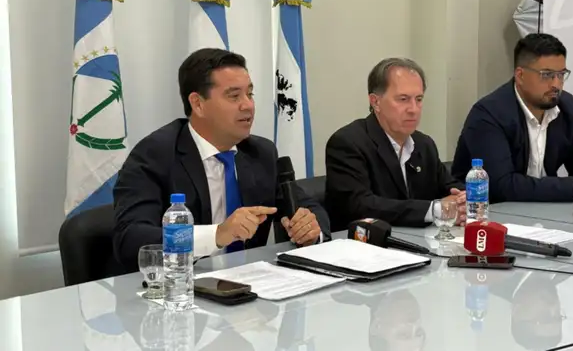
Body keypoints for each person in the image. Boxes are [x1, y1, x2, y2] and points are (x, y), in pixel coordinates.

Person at [113, 48, 330, 271]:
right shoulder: (154, 155)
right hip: (179, 284)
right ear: (198, 104)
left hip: (248, 284)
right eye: (234, 96)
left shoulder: (260, 153)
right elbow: (131, 239)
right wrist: (217, 234)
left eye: (250, 94)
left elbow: (307, 206)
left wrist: (311, 229)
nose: (248, 105)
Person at [452, 33, 573, 203]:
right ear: (520, 76)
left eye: (561, 74)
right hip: (486, 212)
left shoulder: (568, 107)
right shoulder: (488, 114)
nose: (556, 84)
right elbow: (501, 186)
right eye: (547, 75)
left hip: (543, 212)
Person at [324, 58, 465, 231]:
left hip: (419, 241)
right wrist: (434, 210)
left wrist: (463, 201)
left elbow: (450, 187)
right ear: (375, 102)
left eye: (419, 99)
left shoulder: (424, 144)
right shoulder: (348, 143)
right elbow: (360, 206)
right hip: (364, 243)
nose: (413, 109)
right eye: (403, 99)